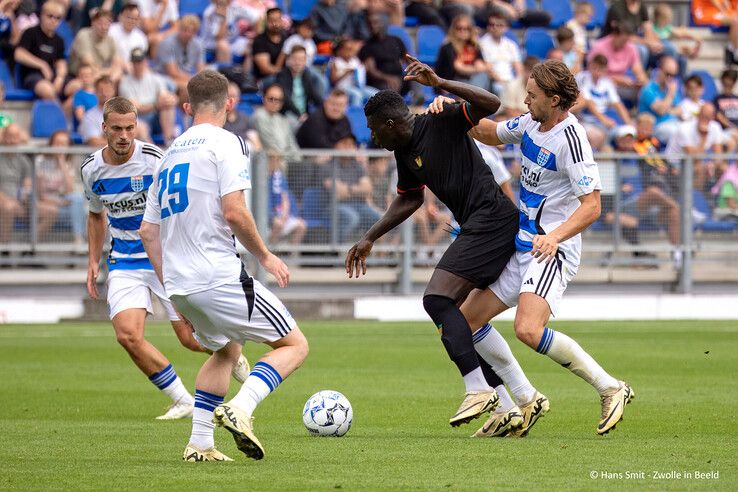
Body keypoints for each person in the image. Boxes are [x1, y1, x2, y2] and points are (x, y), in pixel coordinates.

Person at [432, 59, 634, 435]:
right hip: (524, 244)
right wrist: (449, 109)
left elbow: (592, 206)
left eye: (532, 95)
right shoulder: (530, 122)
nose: (525, 100)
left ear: (555, 99)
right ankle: (523, 400)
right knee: (464, 320)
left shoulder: (572, 141)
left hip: (552, 250)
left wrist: (555, 237)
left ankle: (611, 388)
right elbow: (489, 132)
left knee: (527, 328)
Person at [348, 55, 542, 437]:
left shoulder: (440, 118)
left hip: (493, 221)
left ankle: (477, 388)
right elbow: (409, 198)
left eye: (374, 130)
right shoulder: (404, 151)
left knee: (436, 300)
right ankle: (509, 405)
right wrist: (369, 236)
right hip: (477, 226)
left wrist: (441, 83)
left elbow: (491, 104)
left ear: (390, 124)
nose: (372, 138)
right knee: (460, 319)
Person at [139, 70, 309, 461]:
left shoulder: (167, 155)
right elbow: (234, 211)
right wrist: (265, 255)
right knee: (294, 344)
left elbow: (148, 232)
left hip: (180, 283)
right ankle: (241, 408)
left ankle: (199, 443)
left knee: (227, 351)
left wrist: (172, 293)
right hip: (216, 273)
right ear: (230, 104)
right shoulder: (227, 142)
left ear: (186, 108)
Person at [81, 96, 250, 421]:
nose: (124, 135)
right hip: (125, 262)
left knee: (189, 339)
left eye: (130, 128)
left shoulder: (155, 159)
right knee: (127, 334)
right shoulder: (91, 168)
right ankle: (182, 399)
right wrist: (92, 260)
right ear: (104, 128)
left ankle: (231, 351)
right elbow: (95, 215)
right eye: (116, 128)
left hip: (164, 257)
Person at [34, 130, 86, 248]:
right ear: (51, 144)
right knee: (78, 207)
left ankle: (78, 241)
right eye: (57, 143)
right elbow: (40, 195)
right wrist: (61, 202)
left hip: (62, 207)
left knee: (78, 200)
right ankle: (77, 246)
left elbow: (70, 190)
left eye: (63, 144)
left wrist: (61, 162)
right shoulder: (40, 161)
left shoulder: (67, 164)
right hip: (47, 205)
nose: (60, 147)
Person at [118, 47, 178, 145]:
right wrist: (156, 105)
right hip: (137, 118)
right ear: (132, 63)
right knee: (141, 126)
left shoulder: (156, 78)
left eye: (140, 61)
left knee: (168, 104)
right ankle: (153, 152)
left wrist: (170, 99)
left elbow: (164, 97)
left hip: (155, 116)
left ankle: (169, 141)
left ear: (146, 62)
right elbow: (134, 108)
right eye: (135, 62)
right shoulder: (125, 82)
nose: (138, 65)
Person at [13, 0, 68, 100]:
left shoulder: (59, 40)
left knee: (75, 88)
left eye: (58, 18)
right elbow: (19, 54)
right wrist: (42, 65)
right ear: (42, 15)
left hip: (51, 76)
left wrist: (60, 78)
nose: (53, 20)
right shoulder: (31, 32)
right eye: (50, 16)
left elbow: (61, 62)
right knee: (48, 91)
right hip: (31, 76)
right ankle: (59, 114)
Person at [434, 14, 490, 92]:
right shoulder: (447, 47)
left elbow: (482, 66)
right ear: (453, 30)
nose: (462, 31)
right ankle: (473, 99)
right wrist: (475, 68)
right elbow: (457, 68)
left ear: (471, 30)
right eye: (459, 28)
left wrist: (470, 68)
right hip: (453, 82)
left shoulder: (474, 46)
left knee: (483, 76)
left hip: (472, 81)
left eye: (466, 29)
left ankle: (472, 99)